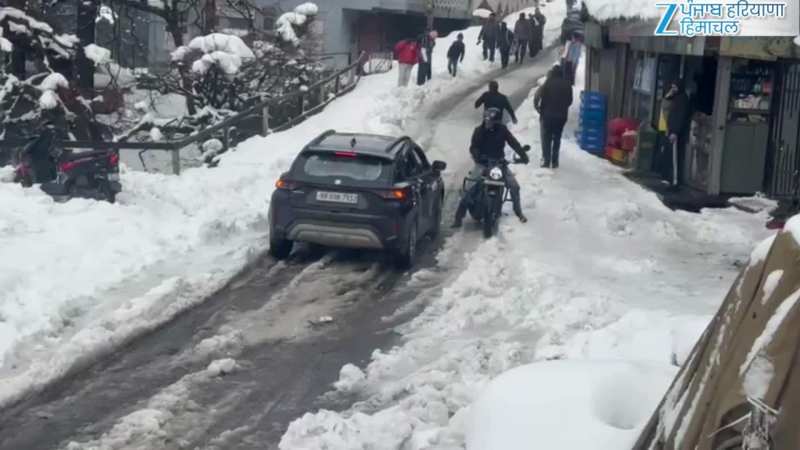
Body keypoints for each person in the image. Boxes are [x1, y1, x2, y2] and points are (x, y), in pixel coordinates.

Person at [452, 107, 530, 228]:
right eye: (487, 120)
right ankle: (458, 218)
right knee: (470, 188)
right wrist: (478, 156)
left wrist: (523, 155)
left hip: (499, 163)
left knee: (514, 186)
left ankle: (518, 212)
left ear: (497, 121)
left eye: (492, 120)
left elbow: (513, 143)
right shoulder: (478, 130)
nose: (489, 123)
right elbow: (473, 147)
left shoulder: (503, 130)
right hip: (482, 163)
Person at [534, 64, 573, 168]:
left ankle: (546, 161)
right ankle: (555, 162)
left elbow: (537, 96)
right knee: (557, 138)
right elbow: (570, 101)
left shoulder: (547, 83)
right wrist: (562, 107)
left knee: (546, 137)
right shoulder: (567, 84)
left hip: (547, 115)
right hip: (561, 117)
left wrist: (537, 107)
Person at [664, 79, 692, 187]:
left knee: (675, 157)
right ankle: (671, 179)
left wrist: (675, 132)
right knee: (672, 156)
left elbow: (679, 117)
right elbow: (666, 102)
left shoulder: (682, 99)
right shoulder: (676, 97)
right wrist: (669, 94)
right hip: (672, 130)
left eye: (675, 87)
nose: (673, 89)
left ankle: (675, 182)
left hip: (676, 132)